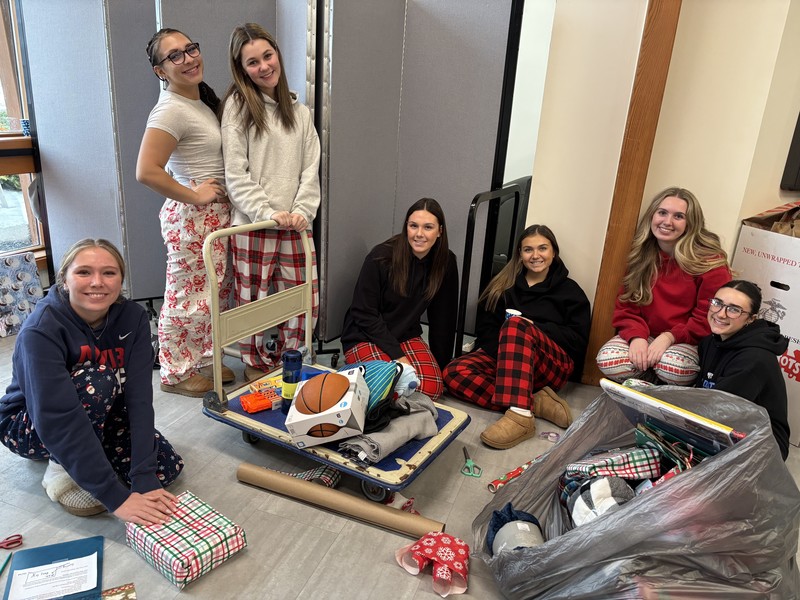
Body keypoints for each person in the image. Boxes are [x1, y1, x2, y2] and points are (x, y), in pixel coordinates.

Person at [0, 239, 183, 523]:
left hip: (101, 411)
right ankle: (58, 470)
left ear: (121, 279)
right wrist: (115, 497)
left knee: (165, 469)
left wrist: (143, 474)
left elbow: (139, 400)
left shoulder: (132, 317)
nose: (97, 282)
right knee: (97, 380)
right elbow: (56, 415)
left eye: (109, 273)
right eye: (84, 272)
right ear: (64, 279)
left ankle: (88, 458)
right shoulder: (41, 329)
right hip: (30, 423)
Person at [136, 27, 234, 398]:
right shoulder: (170, 109)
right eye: (174, 55)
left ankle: (203, 358)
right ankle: (176, 372)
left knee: (211, 295)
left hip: (213, 218)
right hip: (193, 219)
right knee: (186, 298)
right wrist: (194, 196)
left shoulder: (198, 102)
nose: (188, 59)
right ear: (160, 70)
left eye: (190, 49)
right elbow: (146, 171)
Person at [221, 23, 320, 381]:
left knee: (302, 301)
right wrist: (267, 213)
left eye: (267, 55)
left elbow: (311, 169)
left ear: (277, 54)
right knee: (254, 302)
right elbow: (236, 173)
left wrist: (301, 212)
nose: (264, 66)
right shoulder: (237, 107)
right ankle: (256, 365)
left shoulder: (300, 112)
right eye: (252, 62)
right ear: (241, 68)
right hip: (254, 224)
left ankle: (293, 363)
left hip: (294, 223)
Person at [444, 225, 591, 449]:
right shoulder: (502, 286)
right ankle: (535, 402)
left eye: (542, 248)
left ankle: (521, 418)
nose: (535, 255)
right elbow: (486, 331)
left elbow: (578, 342)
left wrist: (535, 328)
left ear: (554, 252)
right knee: (453, 373)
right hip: (507, 361)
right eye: (528, 250)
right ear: (520, 255)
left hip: (551, 366)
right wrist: (508, 358)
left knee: (515, 325)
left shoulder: (571, 292)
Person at [596, 187, 731, 385]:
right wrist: (636, 337)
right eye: (662, 213)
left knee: (674, 370)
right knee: (608, 361)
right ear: (652, 216)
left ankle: (662, 385)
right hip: (646, 334)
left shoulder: (710, 262)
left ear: (690, 223)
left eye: (678, 216)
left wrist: (669, 337)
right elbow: (626, 306)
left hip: (686, 340)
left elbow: (709, 317)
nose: (667, 222)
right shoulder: (641, 254)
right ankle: (648, 382)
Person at [341, 198, 458, 401]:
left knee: (432, 389)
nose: (419, 234)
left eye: (428, 227)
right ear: (406, 227)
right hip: (364, 334)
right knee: (386, 385)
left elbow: (443, 320)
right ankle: (355, 377)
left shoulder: (445, 262)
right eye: (413, 226)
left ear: (440, 231)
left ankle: (375, 387)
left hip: (405, 334)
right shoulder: (381, 257)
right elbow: (363, 312)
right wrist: (399, 357)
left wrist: (441, 367)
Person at [695, 280, 790, 460]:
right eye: (717, 303)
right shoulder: (710, 342)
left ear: (751, 319)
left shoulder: (754, 359)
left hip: (765, 446)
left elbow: (719, 411)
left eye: (734, 309)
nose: (721, 314)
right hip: (727, 424)